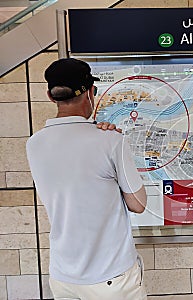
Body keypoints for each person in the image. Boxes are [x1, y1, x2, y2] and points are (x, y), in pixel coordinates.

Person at [26, 58, 147, 300]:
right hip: (111, 277)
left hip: (63, 276)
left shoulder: (34, 144)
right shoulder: (110, 141)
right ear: (91, 92)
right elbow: (138, 204)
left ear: (51, 96)